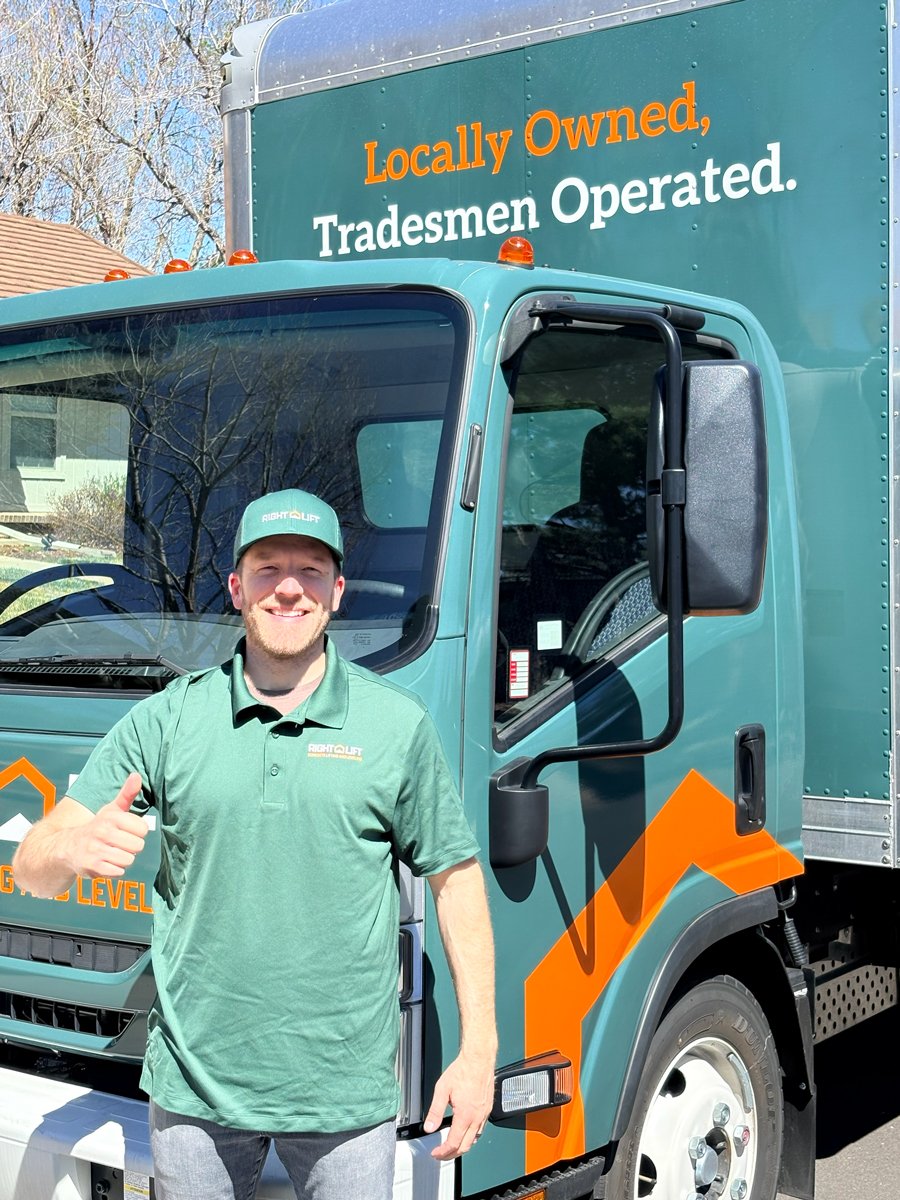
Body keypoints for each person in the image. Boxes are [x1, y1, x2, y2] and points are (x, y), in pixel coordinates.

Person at [13, 488, 496, 1200]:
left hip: (343, 1091)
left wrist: (478, 1049)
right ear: (238, 588)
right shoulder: (170, 719)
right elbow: (32, 867)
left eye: (310, 569)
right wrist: (72, 851)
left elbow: (456, 883)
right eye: (268, 568)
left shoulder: (397, 725)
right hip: (195, 1091)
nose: (289, 588)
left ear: (336, 591)